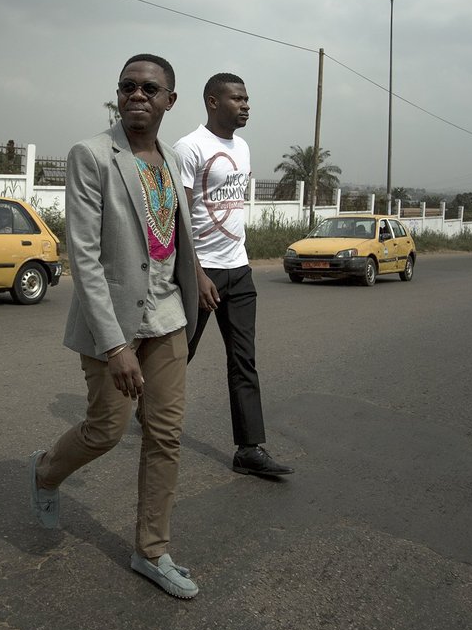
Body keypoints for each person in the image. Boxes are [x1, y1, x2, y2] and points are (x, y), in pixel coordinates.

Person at [29, 53, 218, 600]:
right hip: (114, 323)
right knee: (106, 431)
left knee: (165, 435)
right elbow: (83, 257)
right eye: (127, 86)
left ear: (169, 101)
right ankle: (45, 472)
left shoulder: (171, 159)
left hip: (169, 318)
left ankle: (151, 550)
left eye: (149, 88)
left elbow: (172, 232)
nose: (137, 94)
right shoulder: (92, 155)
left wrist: (197, 274)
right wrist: (114, 345)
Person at [173, 72, 293, 478]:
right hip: (199, 273)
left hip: (238, 271)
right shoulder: (188, 148)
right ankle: (149, 406)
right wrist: (197, 273)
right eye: (237, 98)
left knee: (244, 360)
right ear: (212, 101)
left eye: (247, 98)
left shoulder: (241, 147)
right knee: (177, 354)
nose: (246, 105)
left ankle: (249, 449)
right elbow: (179, 218)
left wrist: (235, 264)